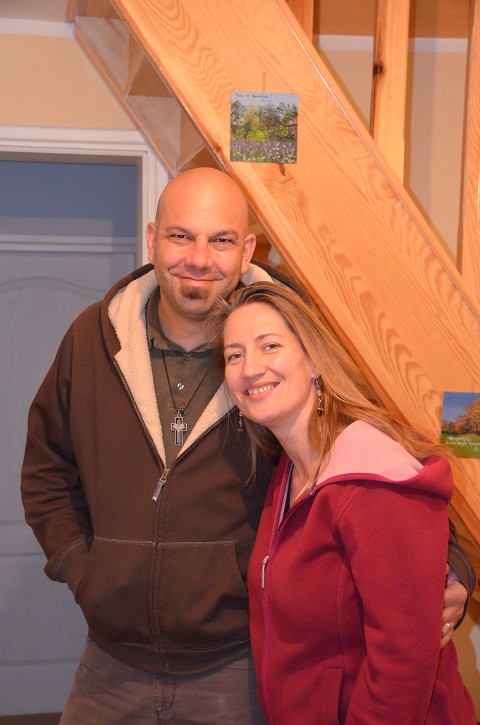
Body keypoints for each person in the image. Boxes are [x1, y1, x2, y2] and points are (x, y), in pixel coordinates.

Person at [21, 168, 474, 724]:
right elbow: (47, 470)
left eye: (221, 239)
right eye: (181, 236)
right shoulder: (92, 338)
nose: (199, 258)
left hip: (238, 669)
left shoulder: (292, 348)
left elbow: (383, 465)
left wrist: (452, 566)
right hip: (109, 666)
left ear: (247, 250)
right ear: (153, 239)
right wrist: (84, 570)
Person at [209, 280, 477, 724]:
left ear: (314, 360)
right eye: (234, 355)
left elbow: (402, 665)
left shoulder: (373, 483)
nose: (250, 368)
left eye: (269, 345)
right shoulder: (290, 471)